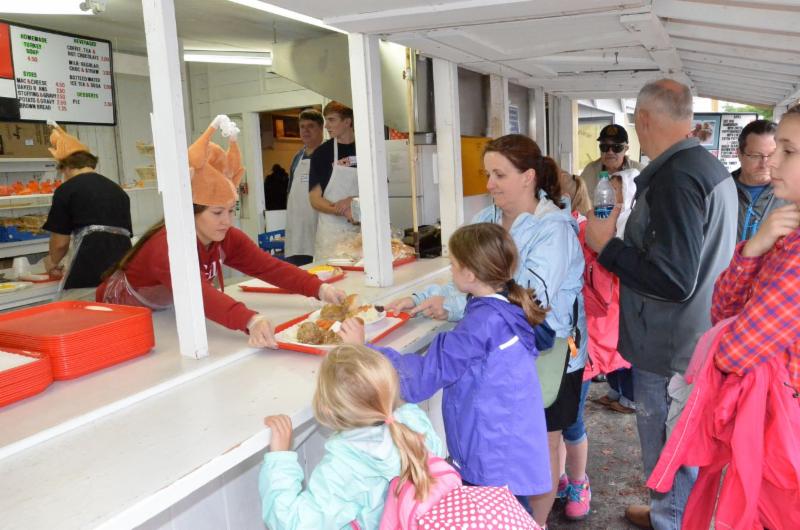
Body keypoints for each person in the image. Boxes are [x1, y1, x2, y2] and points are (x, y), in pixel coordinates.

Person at [386, 135, 586, 529]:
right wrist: (422, 297)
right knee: (520, 448)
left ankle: (534, 522)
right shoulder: (488, 218)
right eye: (488, 174)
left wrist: (452, 306)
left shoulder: (555, 230)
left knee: (542, 442)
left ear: (528, 177)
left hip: (551, 350)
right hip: (507, 352)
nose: (490, 184)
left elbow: (528, 299)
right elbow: (469, 275)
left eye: (499, 175)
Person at [585, 79, 738, 530]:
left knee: (667, 446)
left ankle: (669, 518)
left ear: (644, 119)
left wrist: (607, 246)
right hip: (693, 335)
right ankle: (667, 513)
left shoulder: (676, 178)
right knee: (681, 444)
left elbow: (673, 279)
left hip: (669, 345)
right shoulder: (706, 167)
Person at [341, 223, 552, 508]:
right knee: (512, 512)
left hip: (490, 453)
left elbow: (421, 378)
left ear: (470, 274)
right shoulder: (505, 307)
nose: (450, 270)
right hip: (508, 442)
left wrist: (364, 349)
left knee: (493, 517)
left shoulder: (480, 325)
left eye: (453, 264)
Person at [97, 115, 345, 348]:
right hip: (120, 311)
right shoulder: (169, 245)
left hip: (166, 308)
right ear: (190, 213)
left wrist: (318, 288)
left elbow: (269, 267)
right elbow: (199, 295)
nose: (227, 221)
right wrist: (249, 319)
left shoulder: (226, 236)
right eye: (217, 213)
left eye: (231, 210)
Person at [259, 343, 444, 529]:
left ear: (328, 410)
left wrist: (280, 459)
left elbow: (293, 523)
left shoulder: (344, 468)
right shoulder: (413, 421)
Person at [41, 124, 132, 300]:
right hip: (121, 275)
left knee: (81, 316)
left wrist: (52, 262)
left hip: (86, 276)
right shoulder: (118, 191)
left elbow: (60, 244)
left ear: (66, 167)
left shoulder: (66, 190)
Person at [308, 101, 358, 260]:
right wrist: (345, 211)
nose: (326, 126)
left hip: (362, 233)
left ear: (347, 122)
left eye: (331, 120)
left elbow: (380, 189)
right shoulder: (322, 154)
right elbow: (315, 200)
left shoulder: (367, 148)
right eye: (326, 120)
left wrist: (354, 201)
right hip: (331, 236)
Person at [731, 119, 789, 241]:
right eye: (755, 156)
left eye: (772, 155)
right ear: (739, 154)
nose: (764, 164)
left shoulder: (792, 196)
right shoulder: (719, 190)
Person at [284, 108, 324, 266]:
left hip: (319, 227)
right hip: (297, 230)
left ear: (321, 128)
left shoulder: (327, 155)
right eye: (302, 127)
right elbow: (291, 193)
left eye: (311, 126)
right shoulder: (297, 157)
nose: (306, 131)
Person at [580, 124, 642, 197]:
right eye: (605, 147)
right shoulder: (590, 171)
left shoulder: (640, 171)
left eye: (616, 147)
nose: (610, 152)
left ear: (625, 149)